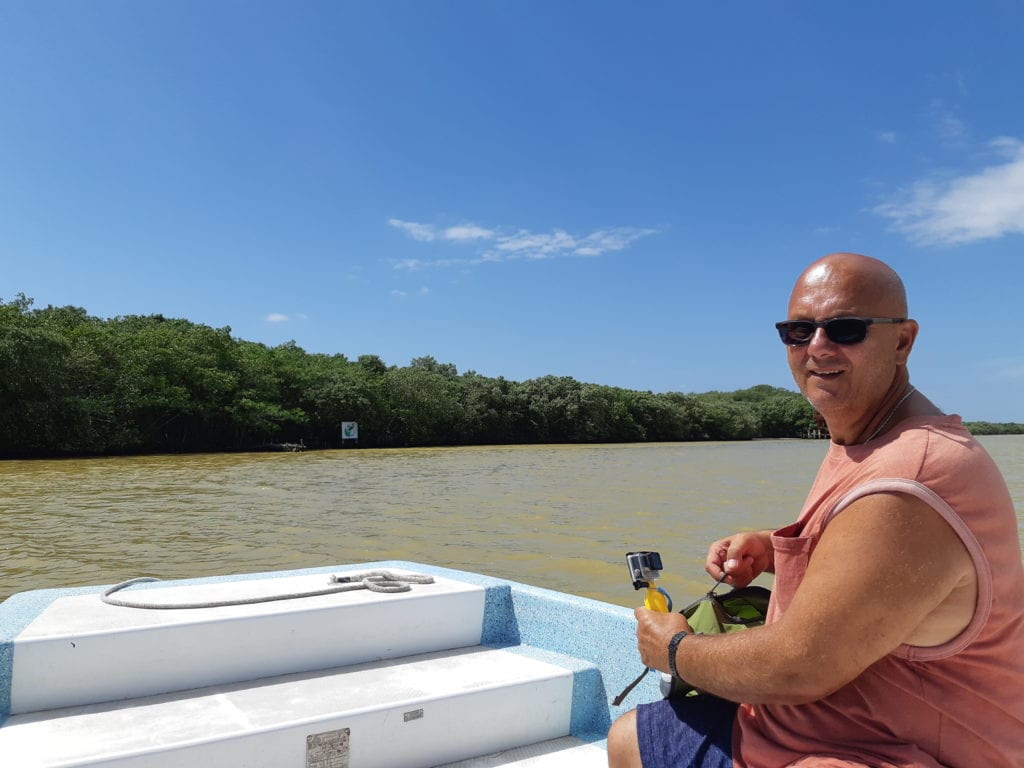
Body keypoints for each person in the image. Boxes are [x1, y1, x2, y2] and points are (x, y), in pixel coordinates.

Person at [607, 252, 1024, 767]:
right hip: (820, 726)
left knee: (631, 739)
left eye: (845, 329)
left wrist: (674, 651)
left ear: (902, 340)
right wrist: (772, 547)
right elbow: (872, 561)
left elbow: (800, 667)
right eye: (798, 331)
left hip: (872, 750)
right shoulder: (868, 439)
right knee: (640, 732)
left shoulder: (911, 475)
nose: (817, 347)